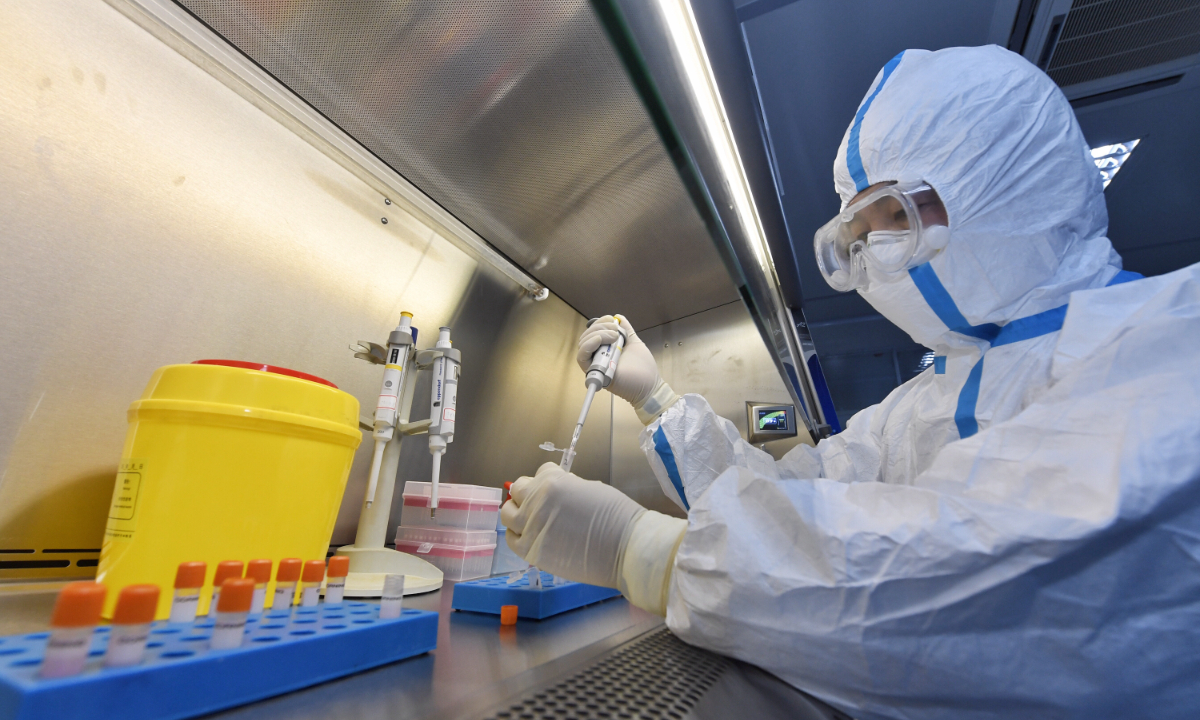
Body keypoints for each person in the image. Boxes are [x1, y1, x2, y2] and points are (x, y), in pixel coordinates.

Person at [502, 45, 1200, 719]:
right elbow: (792, 499)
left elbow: (967, 589)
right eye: (862, 232)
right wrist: (657, 402)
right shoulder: (928, 400)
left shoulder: (1167, 343)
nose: (878, 252)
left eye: (897, 215)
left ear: (1007, 185)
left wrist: (643, 551)